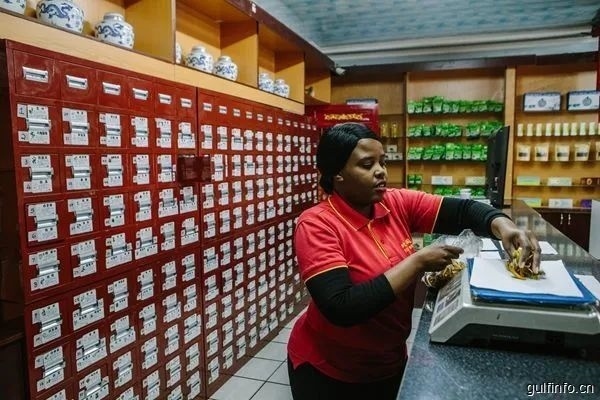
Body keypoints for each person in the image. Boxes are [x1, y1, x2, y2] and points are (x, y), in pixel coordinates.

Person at [287, 122, 541, 400]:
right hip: (329, 372)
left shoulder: (395, 202)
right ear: (337, 174)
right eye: (367, 164)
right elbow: (342, 307)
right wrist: (417, 262)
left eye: (383, 162)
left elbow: (464, 211)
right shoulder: (317, 224)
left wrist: (504, 225)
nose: (381, 171)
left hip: (388, 362)